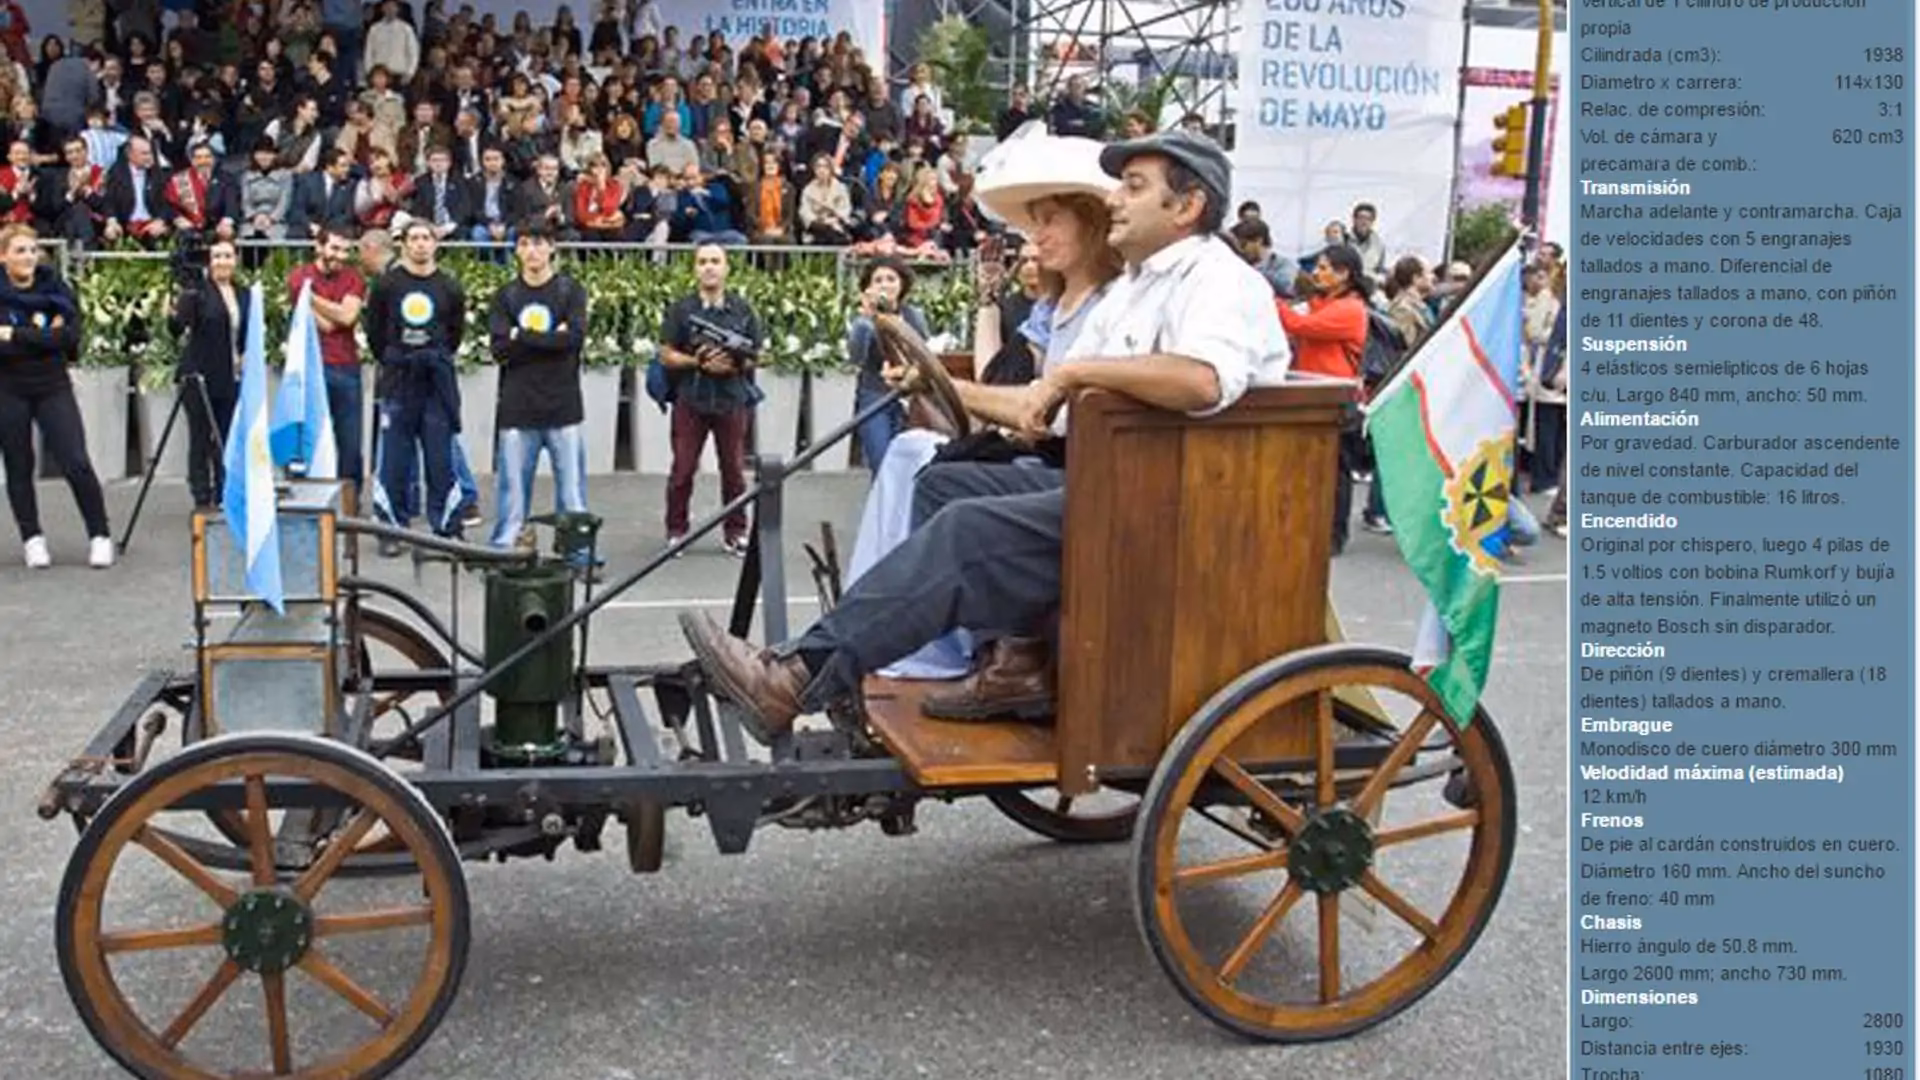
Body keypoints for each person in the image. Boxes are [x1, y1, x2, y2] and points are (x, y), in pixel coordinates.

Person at [678, 129, 1291, 740]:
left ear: (1188, 206)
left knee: (966, 528)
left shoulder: (1218, 279)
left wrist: (1075, 374)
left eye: (1134, 187)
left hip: (1174, 511)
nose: (1115, 200)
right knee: (945, 484)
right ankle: (1014, 663)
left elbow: (1203, 380)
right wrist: (940, 382)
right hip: (1115, 483)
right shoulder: (1133, 288)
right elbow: (1041, 407)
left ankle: (795, 677)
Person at [844, 131, 1123, 689]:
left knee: (942, 480)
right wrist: (984, 308)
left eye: (1049, 222)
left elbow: (1041, 407)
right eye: (1034, 225)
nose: (1035, 240)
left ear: (1091, 222)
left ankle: (979, 649)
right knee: (932, 467)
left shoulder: (1111, 307)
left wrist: (945, 384)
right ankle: (946, 640)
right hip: (1054, 449)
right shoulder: (1055, 308)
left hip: (1085, 465)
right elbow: (1002, 378)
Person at [0, 223, 111, 568]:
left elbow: (70, 337)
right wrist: (44, 336)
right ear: (3, 257)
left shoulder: (56, 289)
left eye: (32, 250)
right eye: (19, 251)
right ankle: (32, 539)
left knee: (75, 460)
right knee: (19, 464)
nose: (28, 257)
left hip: (52, 385)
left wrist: (15, 335)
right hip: (8, 388)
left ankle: (100, 535)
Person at [361, 229, 479, 547]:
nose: (420, 244)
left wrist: (434, 358)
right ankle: (392, 530)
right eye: (413, 239)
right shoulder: (387, 285)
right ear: (403, 245)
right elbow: (374, 331)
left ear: (435, 244)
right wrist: (393, 358)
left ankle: (446, 529)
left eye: (426, 238)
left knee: (441, 460)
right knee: (394, 462)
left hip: (436, 383)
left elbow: (455, 334)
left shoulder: (450, 286)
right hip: (398, 381)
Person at [487, 223, 592, 554]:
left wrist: (522, 335)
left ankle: (577, 552)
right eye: (524, 244)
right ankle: (505, 549)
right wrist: (551, 339)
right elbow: (499, 350)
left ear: (552, 248)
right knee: (512, 493)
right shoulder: (505, 296)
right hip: (518, 408)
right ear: (517, 251)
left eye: (539, 243)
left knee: (572, 493)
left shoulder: (570, 291)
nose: (532, 251)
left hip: (563, 406)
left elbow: (574, 339)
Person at [659, 243, 764, 556]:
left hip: (732, 398)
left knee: (733, 471)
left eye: (715, 261)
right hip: (691, 398)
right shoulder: (680, 309)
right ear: (695, 268)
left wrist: (733, 364)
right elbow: (665, 354)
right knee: (682, 470)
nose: (709, 267)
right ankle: (676, 531)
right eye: (703, 261)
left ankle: (736, 532)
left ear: (726, 268)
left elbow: (758, 355)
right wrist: (698, 362)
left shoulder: (744, 310)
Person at [1277, 243, 1370, 554]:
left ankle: (1333, 534)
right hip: (1314, 395)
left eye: (1324, 267)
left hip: (1336, 398)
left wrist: (1272, 302)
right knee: (1313, 467)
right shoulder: (1325, 303)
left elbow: (1301, 325)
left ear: (1344, 274)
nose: (1317, 272)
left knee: (1335, 471)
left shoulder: (1350, 309)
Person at [166, 237, 247, 510]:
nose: (223, 262)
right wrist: (178, 302)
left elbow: (245, 332)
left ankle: (225, 493)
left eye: (228, 256)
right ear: (209, 262)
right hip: (199, 374)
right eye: (217, 256)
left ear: (235, 260)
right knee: (200, 437)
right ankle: (201, 496)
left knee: (226, 437)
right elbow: (177, 327)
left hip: (230, 375)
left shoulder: (243, 293)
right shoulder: (198, 291)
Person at [286, 224, 367, 493]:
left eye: (345, 250)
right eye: (334, 248)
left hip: (346, 366)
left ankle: (350, 499)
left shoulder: (354, 278)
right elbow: (328, 324)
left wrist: (310, 297)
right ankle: (307, 495)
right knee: (308, 438)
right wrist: (334, 308)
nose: (340, 256)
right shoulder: (299, 276)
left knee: (350, 442)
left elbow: (347, 317)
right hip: (310, 366)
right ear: (318, 246)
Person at [843, 256, 928, 473]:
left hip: (910, 396)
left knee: (908, 464)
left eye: (891, 279)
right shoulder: (862, 321)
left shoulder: (914, 316)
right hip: (875, 395)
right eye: (878, 280)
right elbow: (856, 357)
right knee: (880, 461)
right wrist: (868, 319)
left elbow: (924, 351)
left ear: (902, 284)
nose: (885, 285)